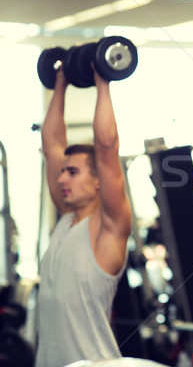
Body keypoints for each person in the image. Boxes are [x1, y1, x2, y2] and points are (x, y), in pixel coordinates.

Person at [36, 66, 132, 366]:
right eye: (63, 171)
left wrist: (103, 83)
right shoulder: (66, 219)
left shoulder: (108, 228)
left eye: (72, 172)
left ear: (98, 181)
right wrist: (60, 83)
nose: (61, 178)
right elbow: (51, 146)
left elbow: (106, 147)